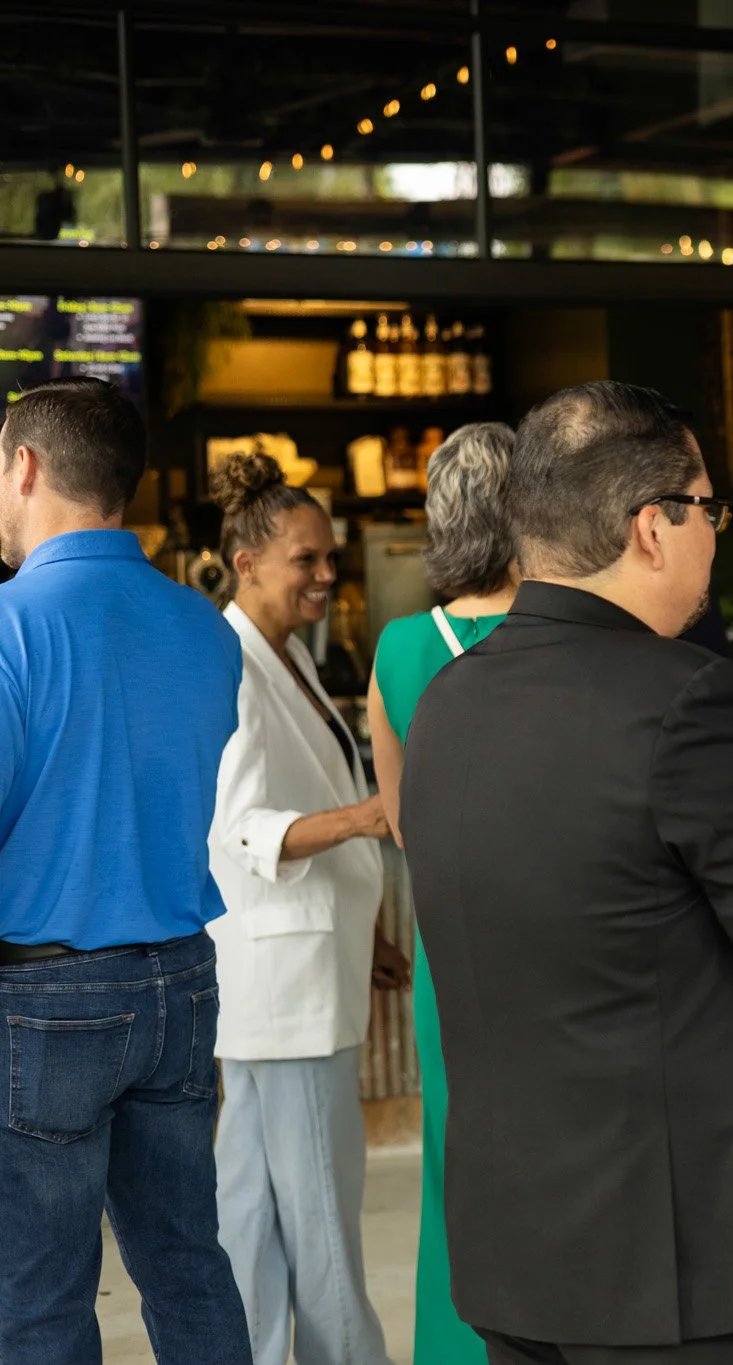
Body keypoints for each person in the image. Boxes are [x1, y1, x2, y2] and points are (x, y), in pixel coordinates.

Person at [400, 381, 733, 1365]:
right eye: (708, 509)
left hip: (517, 1247)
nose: (715, 533)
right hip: (693, 1259)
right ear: (651, 527)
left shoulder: (446, 701)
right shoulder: (691, 700)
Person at [0, 377, 253, 1365]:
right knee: (188, 1260)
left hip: (44, 992)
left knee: (38, 1292)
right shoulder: (201, 627)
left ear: (25, 467)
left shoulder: (12, 627)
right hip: (180, 981)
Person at [206, 451, 401, 1365]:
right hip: (285, 996)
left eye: (331, 557)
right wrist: (369, 818)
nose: (328, 573)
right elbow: (240, 828)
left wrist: (368, 930)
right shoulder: (236, 668)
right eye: (306, 559)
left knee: (252, 1216)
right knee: (319, 1223)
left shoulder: (281, 658)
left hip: (284, 980)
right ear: (245, 563)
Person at [365, 422, 519, 1365]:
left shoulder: (398, 649)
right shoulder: (566, 635)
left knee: (454, 1167)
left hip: (446, 948)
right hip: (555, 942)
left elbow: (401, 819)